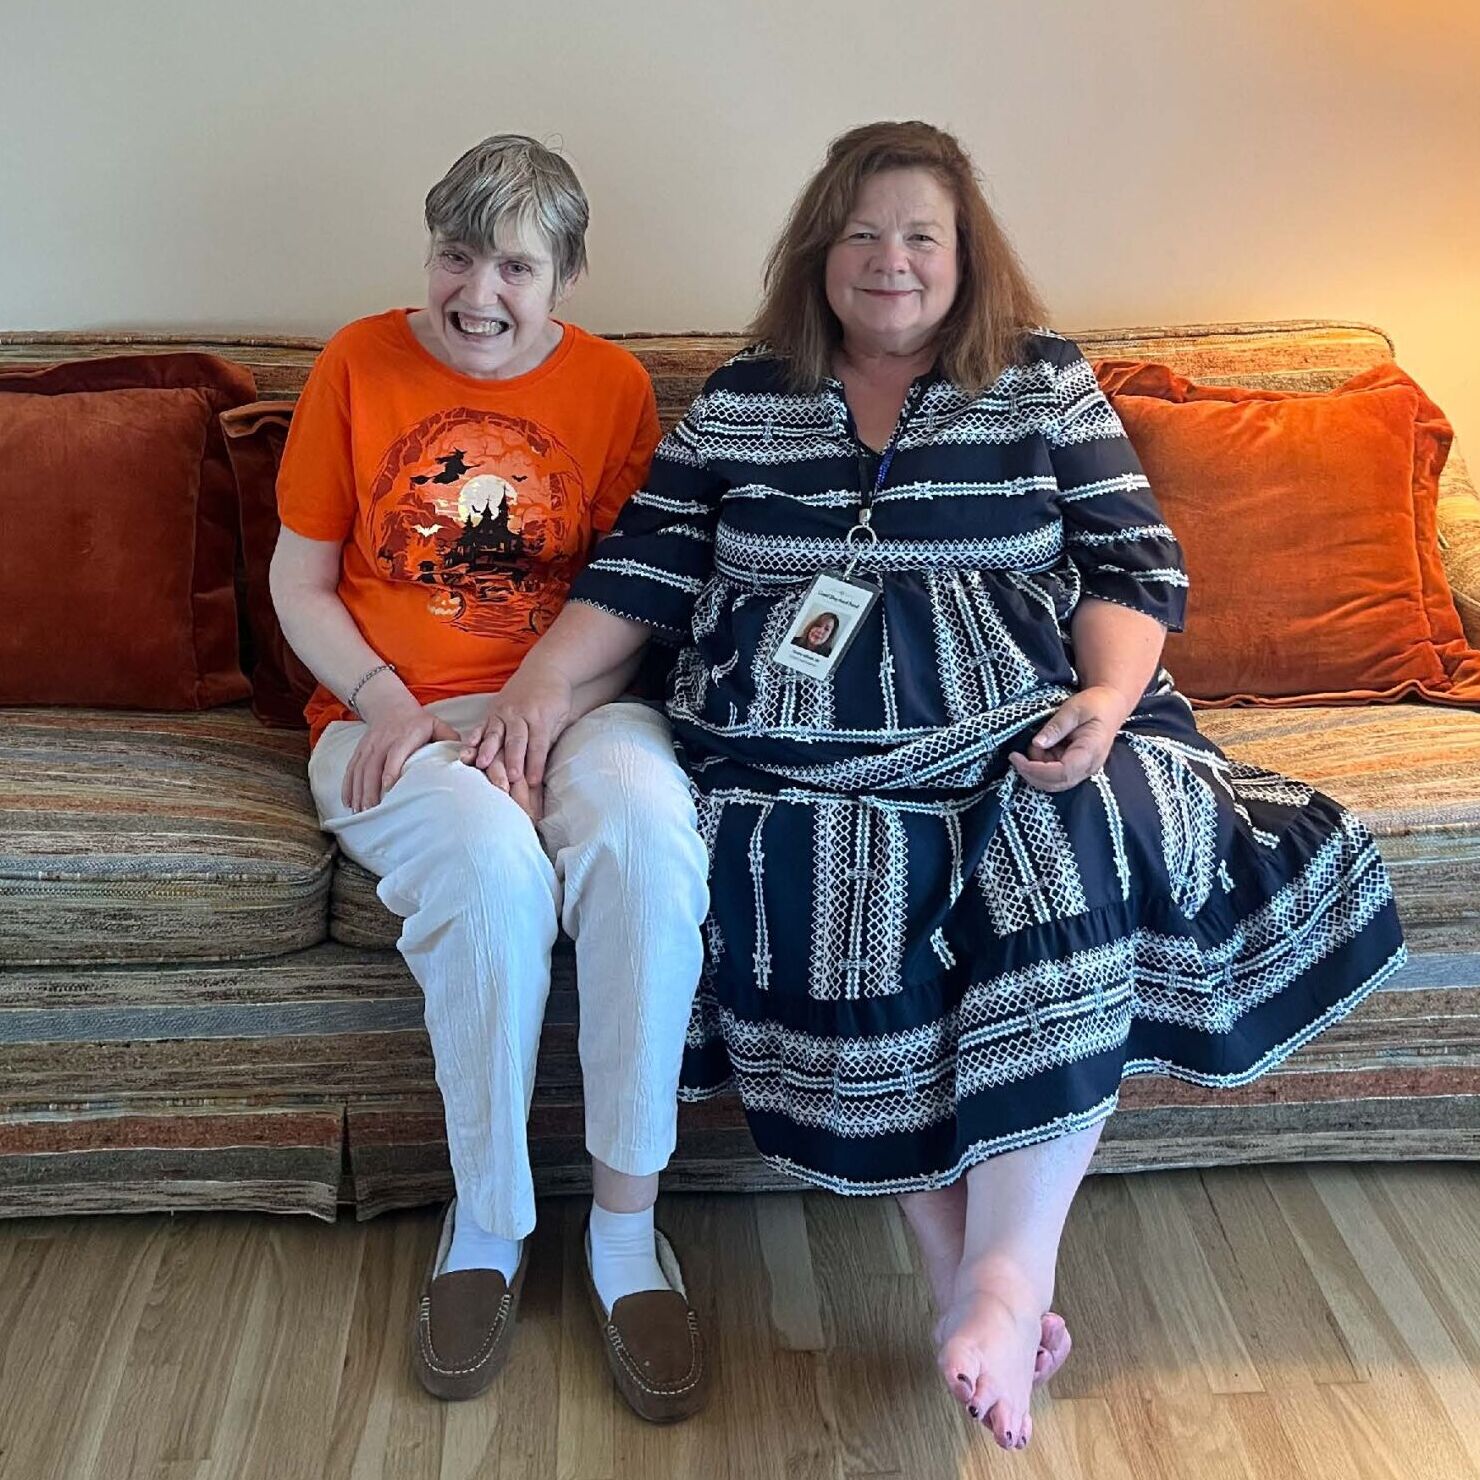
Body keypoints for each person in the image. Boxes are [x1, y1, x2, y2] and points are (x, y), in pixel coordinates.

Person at [474, 121, 1405, 1450]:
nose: (890, 260)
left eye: (920, 235)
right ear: (819, 253)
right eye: (861, 233)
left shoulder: (1041, 382)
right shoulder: (743, 396)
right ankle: (973, 1281)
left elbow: (1136, 569)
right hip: (781, 745)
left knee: (1068, 835)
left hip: (1027, 714)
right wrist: (536, 690)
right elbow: (641, 577)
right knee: (818, 865)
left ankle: (1004, 1274)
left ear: (965, 257)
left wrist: (1103, 701)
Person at [268, 134, 711, 1423]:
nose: (480, 292)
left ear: (563, 275)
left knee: (643, 835)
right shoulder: (355, 364)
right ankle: (490, 1225)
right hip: (387, 717)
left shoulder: (617, 387)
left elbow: (634, 595)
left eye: (515, 264)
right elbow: (299, 583)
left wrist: (540, 714)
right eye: (458, 255)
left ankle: (626, 1231)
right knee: (487, 861)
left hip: (577, 704)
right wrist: (390, 703)